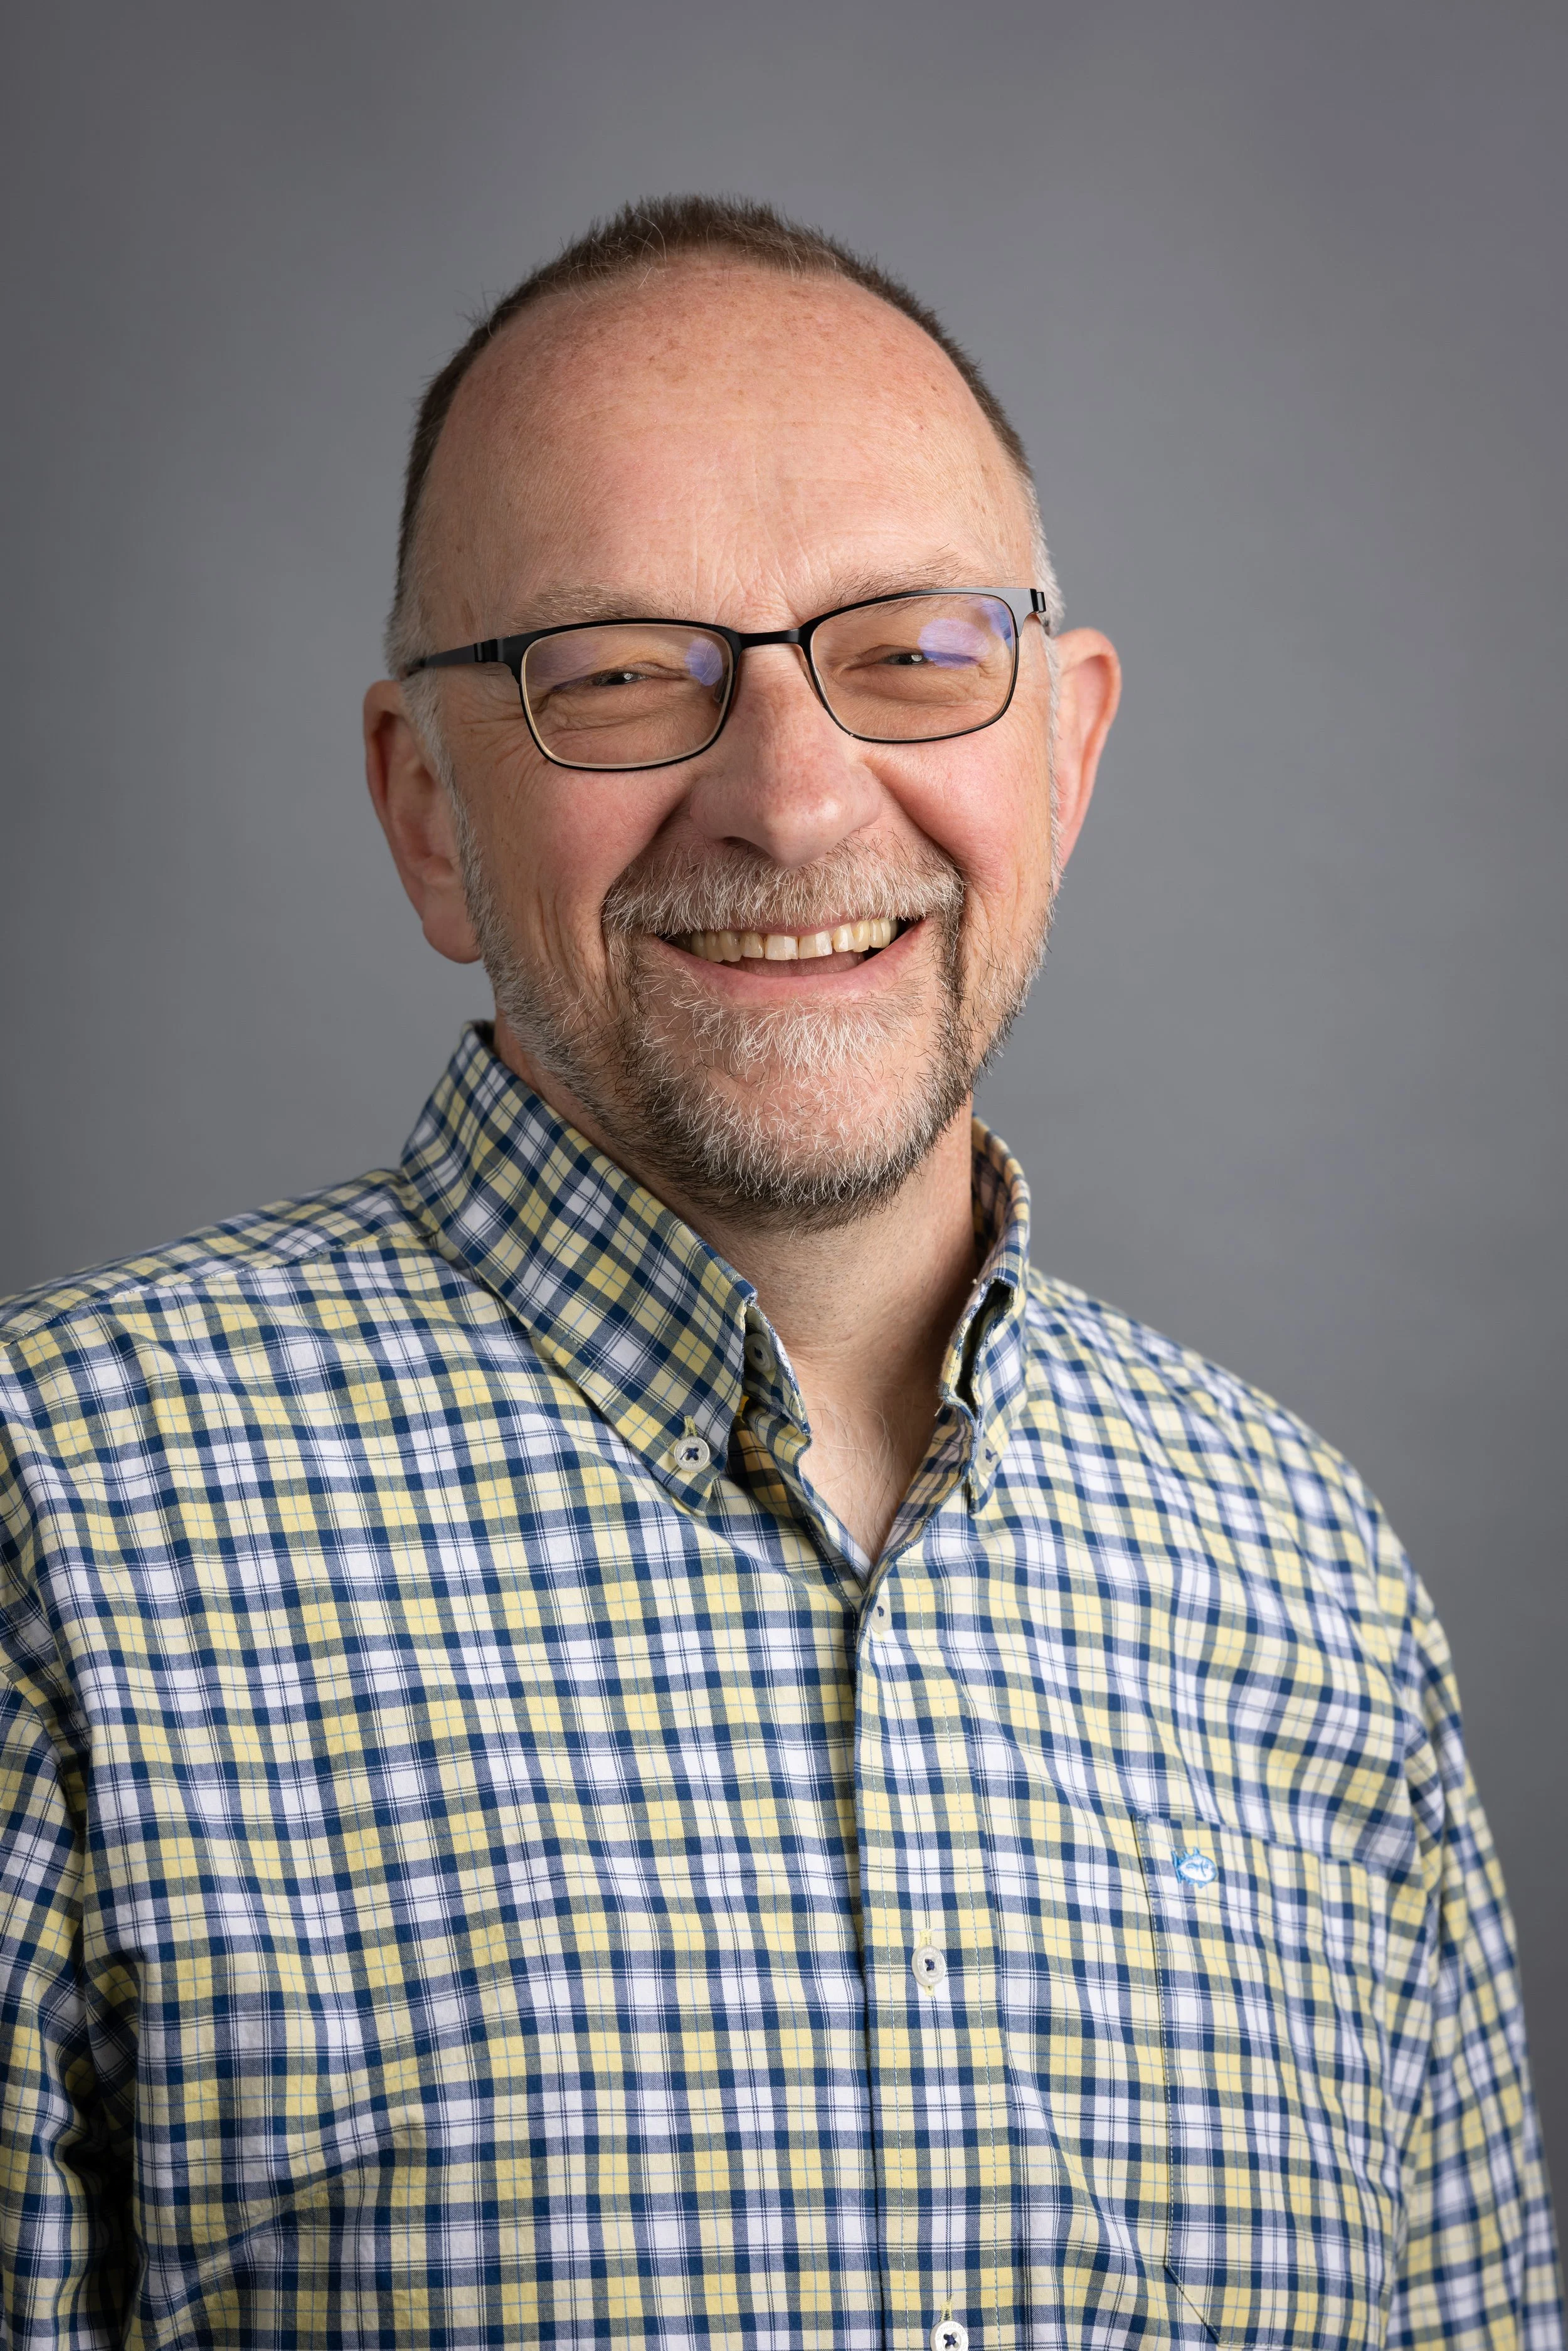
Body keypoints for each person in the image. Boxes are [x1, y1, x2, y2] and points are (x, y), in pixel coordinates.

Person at [0, 193, 1558, 2351]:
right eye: (620, 671)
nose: (796, 799)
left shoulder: (1316, 1592)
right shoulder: (62, 1524)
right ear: (427, 809)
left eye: (912, 652)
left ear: (1065, 750)